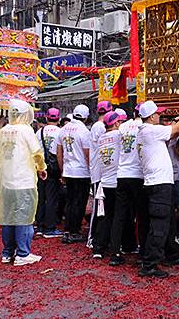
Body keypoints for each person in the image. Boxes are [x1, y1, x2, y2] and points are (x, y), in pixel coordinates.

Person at [136, 100, 179, 278]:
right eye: (158, 114)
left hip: (156, 183)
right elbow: (174, 130)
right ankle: (149, 264)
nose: (160, 116)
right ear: (151, 116)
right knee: (159, 225)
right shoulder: (150, 130)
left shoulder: (146, 132)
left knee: (163, 223)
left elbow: (174, 133)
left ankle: (166, 255)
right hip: (159, 184)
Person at [0, 100, 47, 266]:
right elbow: (37, 152)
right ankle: (23, 253)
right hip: (23, 179)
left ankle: (7, 253)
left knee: (9, 217)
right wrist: (41, 168)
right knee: (24, 217)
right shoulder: (26, 130)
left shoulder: (4, 130)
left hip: (6, 181)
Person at [109, 105, 146, 266]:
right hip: (138, 174)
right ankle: (143, 251)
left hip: (122, 174)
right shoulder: (144, 127)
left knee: (120, 215)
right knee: (142, 214)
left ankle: (115, 252)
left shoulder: (122, 127)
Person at [92, 111, 126, 259]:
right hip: (117, 182)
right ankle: (116, 249)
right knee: (118, 217)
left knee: (105, 216)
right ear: (117, 123)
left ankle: (98, 248)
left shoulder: (101, 138)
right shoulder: (118, 135)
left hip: (105, 182)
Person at [56, 104, 91, 244]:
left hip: (68, 170)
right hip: (81, 171)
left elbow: (59, 153)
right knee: (79, 201)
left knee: (70, 201)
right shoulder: (84, 132)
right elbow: (87, 154)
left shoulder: (63, 130)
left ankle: (68, 229)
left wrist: (62, 170)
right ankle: (75, 231)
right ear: (86, 117)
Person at [87, 101, 113, 247]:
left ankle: (101, 237)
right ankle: (92, 237)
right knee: (98, 206)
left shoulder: (98, 126)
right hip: (99, 172)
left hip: (102, 171)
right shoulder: (100, 127)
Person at [36, 108, 63, 239]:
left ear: (47, 118)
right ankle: (50, 227)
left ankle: (40, 225)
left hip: (41, 167)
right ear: (58, 119)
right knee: (52, 197)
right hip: (53, 168)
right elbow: (59, 153)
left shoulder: (39, 132)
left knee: (41, 197)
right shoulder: (60, 132)